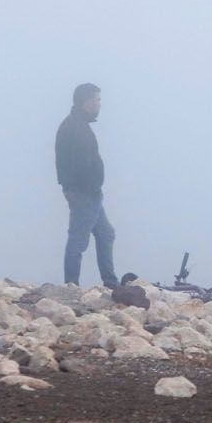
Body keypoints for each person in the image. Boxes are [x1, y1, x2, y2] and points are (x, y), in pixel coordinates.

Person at [55, 82, 117, 288]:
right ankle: (71, 285)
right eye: (97, 100)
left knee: (106, 234)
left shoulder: (78, 125)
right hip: (84, 193)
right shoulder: (75, 127)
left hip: (88, 193)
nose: (100, 104)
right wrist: (90, 188)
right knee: (78, 240)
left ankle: (110, 282)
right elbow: (80, 163)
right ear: (87, 102)